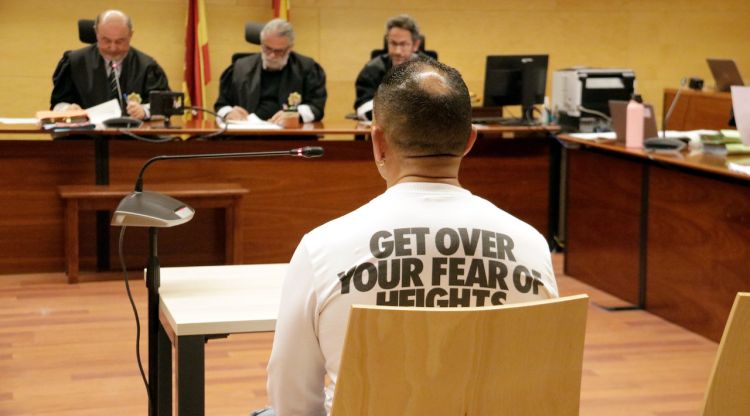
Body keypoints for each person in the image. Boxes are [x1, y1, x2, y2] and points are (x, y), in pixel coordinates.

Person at [260, 58, 559, 416]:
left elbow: (289, 396)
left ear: (378, 142)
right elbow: (542, 390)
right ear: (469, 141)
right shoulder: (531, 246)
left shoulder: (322, 248)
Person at [50, 10, 170, 120]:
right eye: (106, 40)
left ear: (131, 35)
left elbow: (167, 105)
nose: (113, 48)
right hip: (85, 137)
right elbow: (58, 104)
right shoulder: (74, 63)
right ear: (96, 33)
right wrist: (67, 109)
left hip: (133, 139)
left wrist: (144, 111)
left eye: (120, 41)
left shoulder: (147, 66)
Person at [215, 19, 327, 124]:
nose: (272, 55)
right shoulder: (239, 68)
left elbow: (316, 106)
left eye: (279, 51)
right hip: (247, 136)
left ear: (290, 48)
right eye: (267, 48)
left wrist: (296, 114)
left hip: (290, 136)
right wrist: (228, 113)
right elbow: (221, 104)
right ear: (261, 43)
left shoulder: (307, 68)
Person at [353, 14, 431, 120]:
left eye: (403, 44)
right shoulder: (373, 69)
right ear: (387, 41)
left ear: (416, 45)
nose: (397, 51)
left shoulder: (430, 69)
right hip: (384, 130)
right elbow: (364, 108)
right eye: (393, 43)